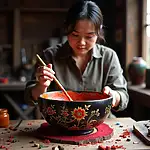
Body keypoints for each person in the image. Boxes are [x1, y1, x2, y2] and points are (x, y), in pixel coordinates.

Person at [24, 0, 129, 118]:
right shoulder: (50, 56)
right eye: (75, 35)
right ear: (66, 29)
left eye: (89, 36)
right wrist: (41, 86)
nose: (82, 43)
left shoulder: (108, 57)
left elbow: (123, 97)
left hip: (100, 123)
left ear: (98, 31)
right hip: (61, 125)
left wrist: (113, 95)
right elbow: (29, 99)